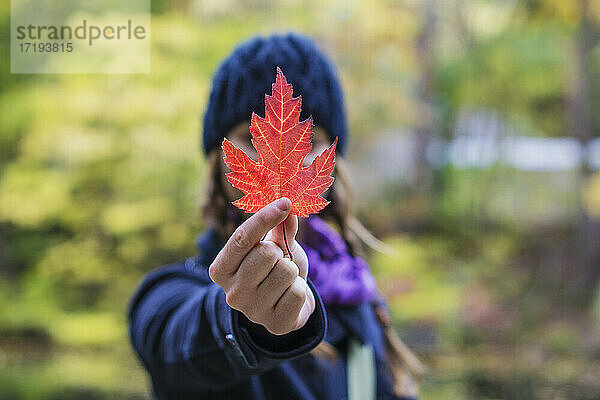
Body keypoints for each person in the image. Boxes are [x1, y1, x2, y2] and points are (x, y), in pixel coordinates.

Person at [128, 32, 424, 400]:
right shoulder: (171, 296)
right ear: (217, 159)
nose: (285, 159)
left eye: (310, 139)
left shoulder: (360, 297)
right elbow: (175, 339)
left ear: (333, 162)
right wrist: (247, 320)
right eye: (249, 136)